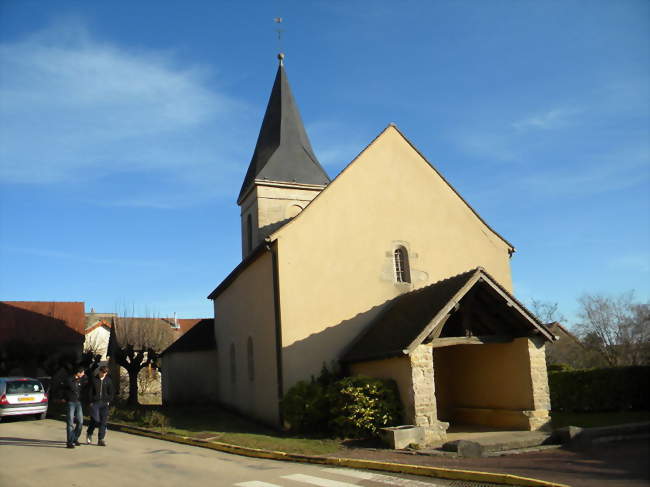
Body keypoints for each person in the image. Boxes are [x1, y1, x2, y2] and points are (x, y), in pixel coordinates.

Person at [86, 365, 114, 447]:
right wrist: (91, 401)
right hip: (95, 403)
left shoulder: (108, 380)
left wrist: (108, 400)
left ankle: (100, 439)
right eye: (102, 373)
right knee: (95, 420)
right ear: (100, 371)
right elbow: (89, 392)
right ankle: (89, 433)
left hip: (104, 403)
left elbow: (111, 392)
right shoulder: (94, 380)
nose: (103, 375)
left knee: (103, 422)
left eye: (105, 373)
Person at [62, 366, 87, 449]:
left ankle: (75, 438)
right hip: (71, 403)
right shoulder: (69, 380)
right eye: (82, 372)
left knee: (80, 422)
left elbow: (86, 387)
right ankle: (69, 442)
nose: (84, 374)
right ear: (78, 373)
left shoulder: (82, 380)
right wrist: (64, 398)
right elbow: (63, 389)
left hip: (79, 402)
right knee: (70, 423)